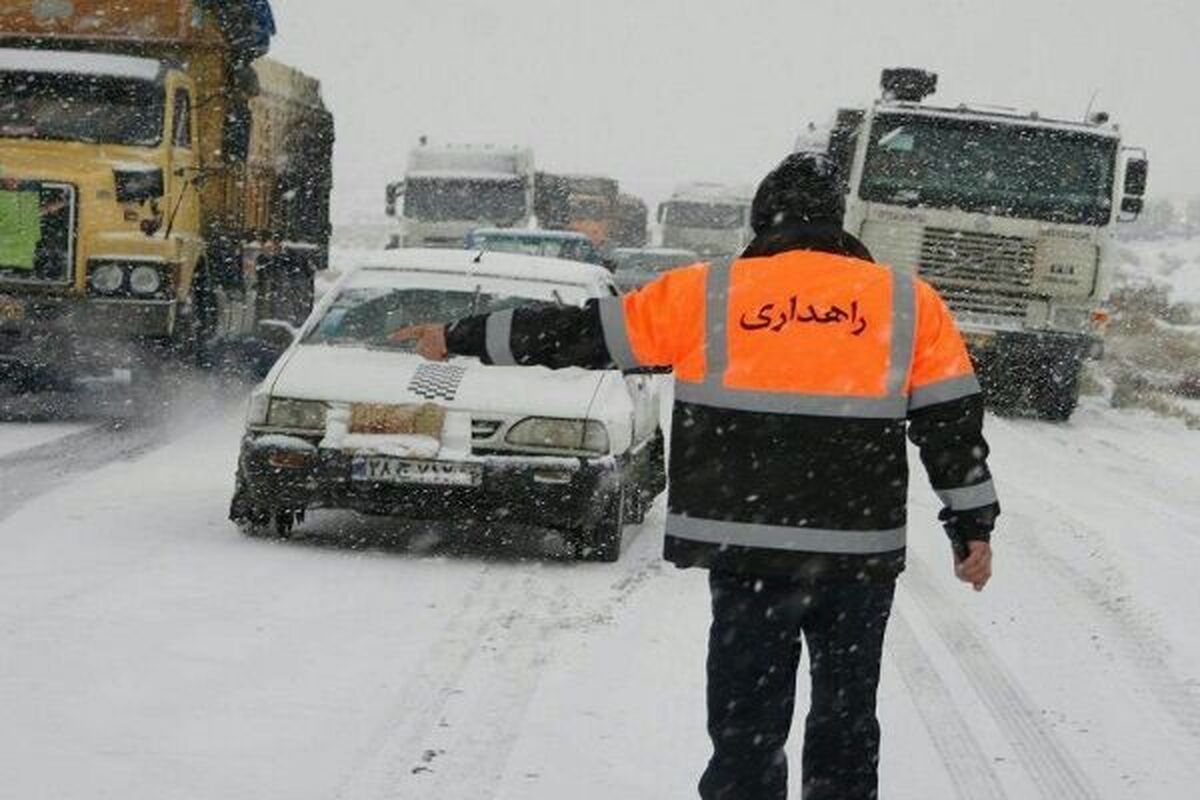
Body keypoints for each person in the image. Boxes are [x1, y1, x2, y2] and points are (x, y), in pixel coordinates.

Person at [393, 152, 999, 800]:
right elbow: (951, 427)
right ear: (839, 221)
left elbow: (580, 335)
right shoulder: (909, 304)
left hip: (746, 552)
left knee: (746, 732)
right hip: (855, 558)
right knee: (846, 725)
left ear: (761, 219)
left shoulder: (708, 294)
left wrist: (461, 335)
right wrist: (972, 528)